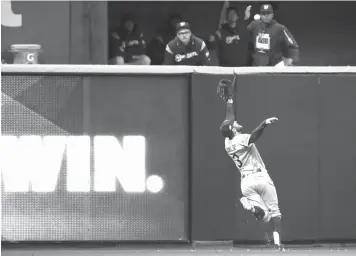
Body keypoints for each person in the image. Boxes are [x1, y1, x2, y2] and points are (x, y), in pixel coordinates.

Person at [217, 78, 284, 250]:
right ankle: (277, 245)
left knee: (265, 217)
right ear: (233, 129)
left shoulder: (227, 142)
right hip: (260, 176)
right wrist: (264, 123)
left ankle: (254, 208)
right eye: (234, 124)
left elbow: (228, 119)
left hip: (246, 184)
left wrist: (230, 100)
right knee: (275, 211)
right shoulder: (239, 139)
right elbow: (254, 136)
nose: (235, 121)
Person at [208, 1, 252, 67]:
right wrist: (211, 42)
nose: (232, 15)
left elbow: (250, 42)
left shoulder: (242, 30)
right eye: (230, 14)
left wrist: (247, 17)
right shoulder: (220, 32)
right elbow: (213, 48)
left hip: (242, 67)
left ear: (237, 16)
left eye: (234, 13)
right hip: (226, 67)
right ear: (227, 17)